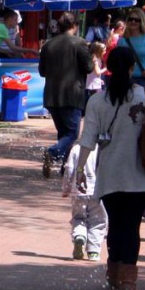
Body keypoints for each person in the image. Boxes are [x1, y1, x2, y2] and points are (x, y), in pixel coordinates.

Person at [75, 48, 145, 290]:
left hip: (110, 172)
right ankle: (128, 281)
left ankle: (114, 272)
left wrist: (80, 169)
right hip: (140, 173)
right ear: (132, 67)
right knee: (132, 226)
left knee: (115, 223)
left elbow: (88, 138)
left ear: (109, 68)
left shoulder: (97, 100)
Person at [39, 13, 93, 178]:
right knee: (72, 134)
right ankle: (53, 153)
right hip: (72, 94)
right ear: (75, 25)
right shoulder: (80, 43)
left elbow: (42, 71)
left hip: (52, 95)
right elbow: (89, 67)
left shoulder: (48, 45)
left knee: (63, 132)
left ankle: (65, 165)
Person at [61, 143, 105, 262]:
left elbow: (69, 169)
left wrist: (66, 188)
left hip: (79, 191)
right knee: (98, 221)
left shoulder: (76, 149)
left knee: (78, 217)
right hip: (98, 191)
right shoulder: (104, 149)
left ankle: (79, 236)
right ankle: (93, 251)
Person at [114, 8, 145, 87]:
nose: (133, 21)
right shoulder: (122, 41)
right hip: (124, 79)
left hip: (142, 79)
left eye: (137, 20)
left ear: (141, 21)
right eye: (131, 19)